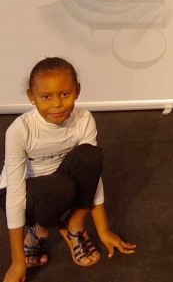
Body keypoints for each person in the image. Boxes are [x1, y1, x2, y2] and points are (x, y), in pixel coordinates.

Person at [1, 57, 136, 282]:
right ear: (31, 97)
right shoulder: (20, 130)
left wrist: (103, 230)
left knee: (90, 156)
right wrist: (16, 262)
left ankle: (74, 227)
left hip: (60, 186)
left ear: (78, 91)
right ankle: (38, 233)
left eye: (65, 94)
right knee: (60, 187)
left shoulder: (84, 120)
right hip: (24, 197)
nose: (57, 104)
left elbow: (93, 174)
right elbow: (14, 195)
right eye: (46, 97)